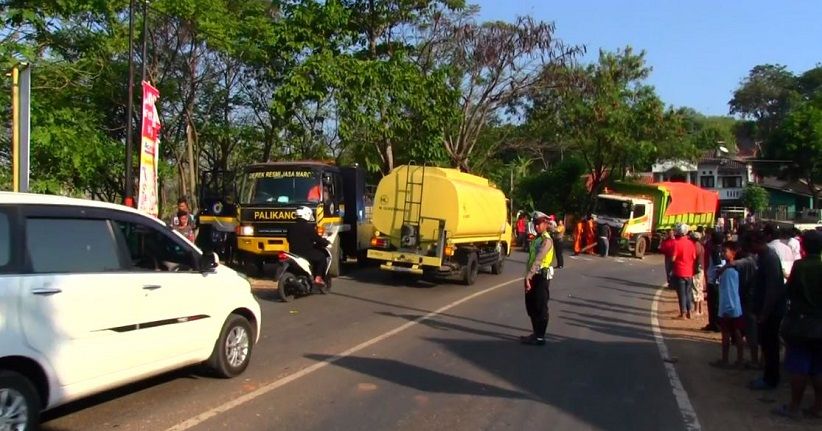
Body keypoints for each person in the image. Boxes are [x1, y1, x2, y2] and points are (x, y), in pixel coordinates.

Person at [776, 230, 822, 419]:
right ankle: (818, 408)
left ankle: (794, 407)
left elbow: (789, 291)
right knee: (818, 368)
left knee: (799, 367)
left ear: (803, 246)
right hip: (819, 324)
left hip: (801, 324)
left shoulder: (801, 266)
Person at [748, 229, 786, 390]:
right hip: (766, 309)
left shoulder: (770, 259)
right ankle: (768, 376)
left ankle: (771, 379)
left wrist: (764, 313)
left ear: (757, 243)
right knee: (766, 344)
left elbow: (772, 290)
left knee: (770, 345)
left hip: (771, 311)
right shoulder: (763, 257)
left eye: (750, 245)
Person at [520, 211, 555, 346]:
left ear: (545, 224)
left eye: (539, 224)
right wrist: (528, 276)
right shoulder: (536, 239)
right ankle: (535, 333)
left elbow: (538, 260)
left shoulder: (547, 240)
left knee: (540, 306)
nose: (536, 226)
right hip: (532, 276)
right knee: (531, 306)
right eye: (535, 223)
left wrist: (528, 276)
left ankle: (540, 336)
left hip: (541, 277)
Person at [711, 240, 746, 369]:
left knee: (728, 335)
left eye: (725, 251)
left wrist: (728, 309)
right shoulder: (730, 269)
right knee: (736, 334)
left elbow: (730, 292)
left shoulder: (730, 272)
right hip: (734, 308)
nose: (722, 253)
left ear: (733, 253)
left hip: (729, 308)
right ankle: (738, 360)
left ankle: (727, 360)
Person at [286, 206, 331, 286]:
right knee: (322, 257)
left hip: (293, 253)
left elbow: (288, 239)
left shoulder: (290, 226)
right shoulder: (309, 227)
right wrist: (326, 242)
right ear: (306, 214)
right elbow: (317, 239)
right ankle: (318, 278)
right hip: (306, 253)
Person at [670, 223, 696, 319]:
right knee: (688, 293)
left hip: (680, 271)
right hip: (689, 272)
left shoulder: (677, 243)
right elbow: (694, 257)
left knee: (681, 294)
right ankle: (690, 312)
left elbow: (673, 258)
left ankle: (683, 313)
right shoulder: (691, 243)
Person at [703, 231, 724, 332]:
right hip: (719, 282)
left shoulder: (715, 250)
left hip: (714, 281)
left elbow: (718, 265)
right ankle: (715, 324)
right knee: (717, 304)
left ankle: (715, 325)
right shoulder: (722, 249)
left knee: (713, 305)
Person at [690, 232, 705, 316]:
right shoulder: (701, 246)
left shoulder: (695, 246)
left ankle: (696, 310)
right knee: (700, 289)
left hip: (697, 269)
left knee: (695, 289)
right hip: (701, 268)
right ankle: (700, 309)